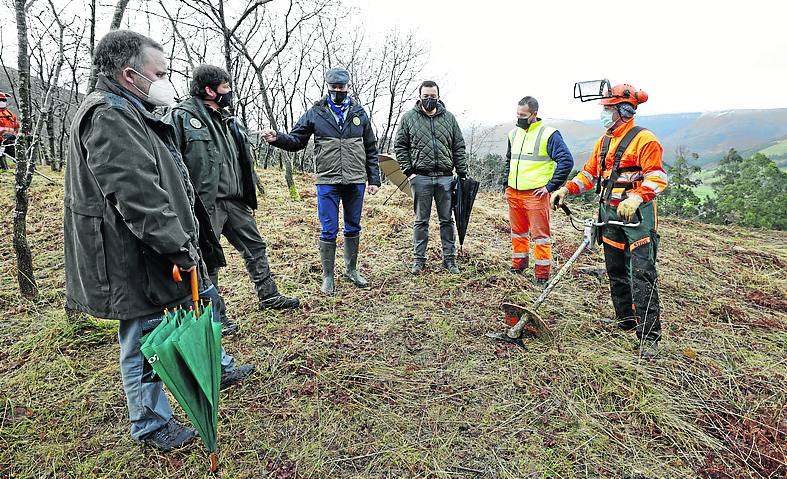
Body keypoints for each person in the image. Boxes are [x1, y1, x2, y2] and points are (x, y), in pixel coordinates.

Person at [64, 30, 253, 451]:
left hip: (161, 246)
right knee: (144, 339)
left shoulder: (136, 110)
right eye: (160, 72)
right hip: (132, 254)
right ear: (130, 75)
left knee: (197, 306)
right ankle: (149, 424)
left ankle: (210, 367)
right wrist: (177, 246)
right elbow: (138, 194)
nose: (167, 80)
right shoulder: (110, 115)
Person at [166, 64, 299, 335]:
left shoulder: (229, 120)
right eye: (225, 87)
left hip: (236, 201)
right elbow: (170, 163)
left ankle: (269, 296)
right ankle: (215, 316)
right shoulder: (181, 117)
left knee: (255, 247)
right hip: (205, 205)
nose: (230, 92)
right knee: (208, 260)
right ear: (209, 90)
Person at [551, 83, 668, 359]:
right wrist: (567, 189)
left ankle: (649, 336)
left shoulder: (645, 140)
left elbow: (657, 177)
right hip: (609, 213)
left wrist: (637, 197)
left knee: (641, 272)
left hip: (636, 216)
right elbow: (591, 175)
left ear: (624, 110)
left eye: (607, 108)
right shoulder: (604, 141)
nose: (603, 112)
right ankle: (625, 319)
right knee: (615, 268)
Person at [261, 67, 381, 295]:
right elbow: (297, 140)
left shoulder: (359, 113)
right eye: (334, 87)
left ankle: (351, 270)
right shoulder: (316, 112)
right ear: (328, 87)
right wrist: (277, 138)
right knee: (329, 229)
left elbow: (371, 148)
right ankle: (328, 277)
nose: (338, 91)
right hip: (327, 179)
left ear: (348, 87)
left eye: (341, 87)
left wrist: (373, 178)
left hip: (355, 179)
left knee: (353, 225)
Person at [394, 80, 468, 274]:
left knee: (447, 220)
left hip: (445, 177)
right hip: (421, 178)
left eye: (432, 97)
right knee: (421, 221)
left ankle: (450, 260)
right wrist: (409, 172)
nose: (429, 100)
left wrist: (462, 172)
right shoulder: (409, 118)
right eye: (426, 96)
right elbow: (400, 146)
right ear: (419, 97)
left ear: (438, 97)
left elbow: (458, 146)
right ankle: (418, 260)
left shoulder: (449, 118)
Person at [502, 96, 573, 285]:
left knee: (540, 237)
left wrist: (550, 187)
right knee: (518, 232)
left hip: (536, 194)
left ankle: (541, 275)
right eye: (517, 114)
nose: (519, 118)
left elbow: (566, 161)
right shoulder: (513, 134)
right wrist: (505, 185)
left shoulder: (548, 134)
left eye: (523, 115)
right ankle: (518, 265)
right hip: (514, 192)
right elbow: (509, 160)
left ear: (534, 114)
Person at [0, 91, 20, 170]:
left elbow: (17, 127)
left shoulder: (10, 115)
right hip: (1, 141)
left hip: (9, 142)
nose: (2, 102)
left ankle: (28, 171)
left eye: (4, 100)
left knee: (18, 158)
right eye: (0, 100)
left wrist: (16, 136)